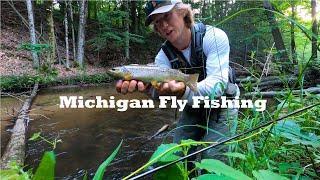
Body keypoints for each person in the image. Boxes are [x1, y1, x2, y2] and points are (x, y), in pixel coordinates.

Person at [116, 0, 239, 160]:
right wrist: (150, 90)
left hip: (223, 105)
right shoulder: (163, 56)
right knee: (175, 156)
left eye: (167, 15)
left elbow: (218, 86)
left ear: (183, 12)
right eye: (157, 22)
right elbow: (164, 97)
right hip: (192, 105)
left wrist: (183, 90)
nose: (163, 25)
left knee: (215, 158)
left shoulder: (214, 36)